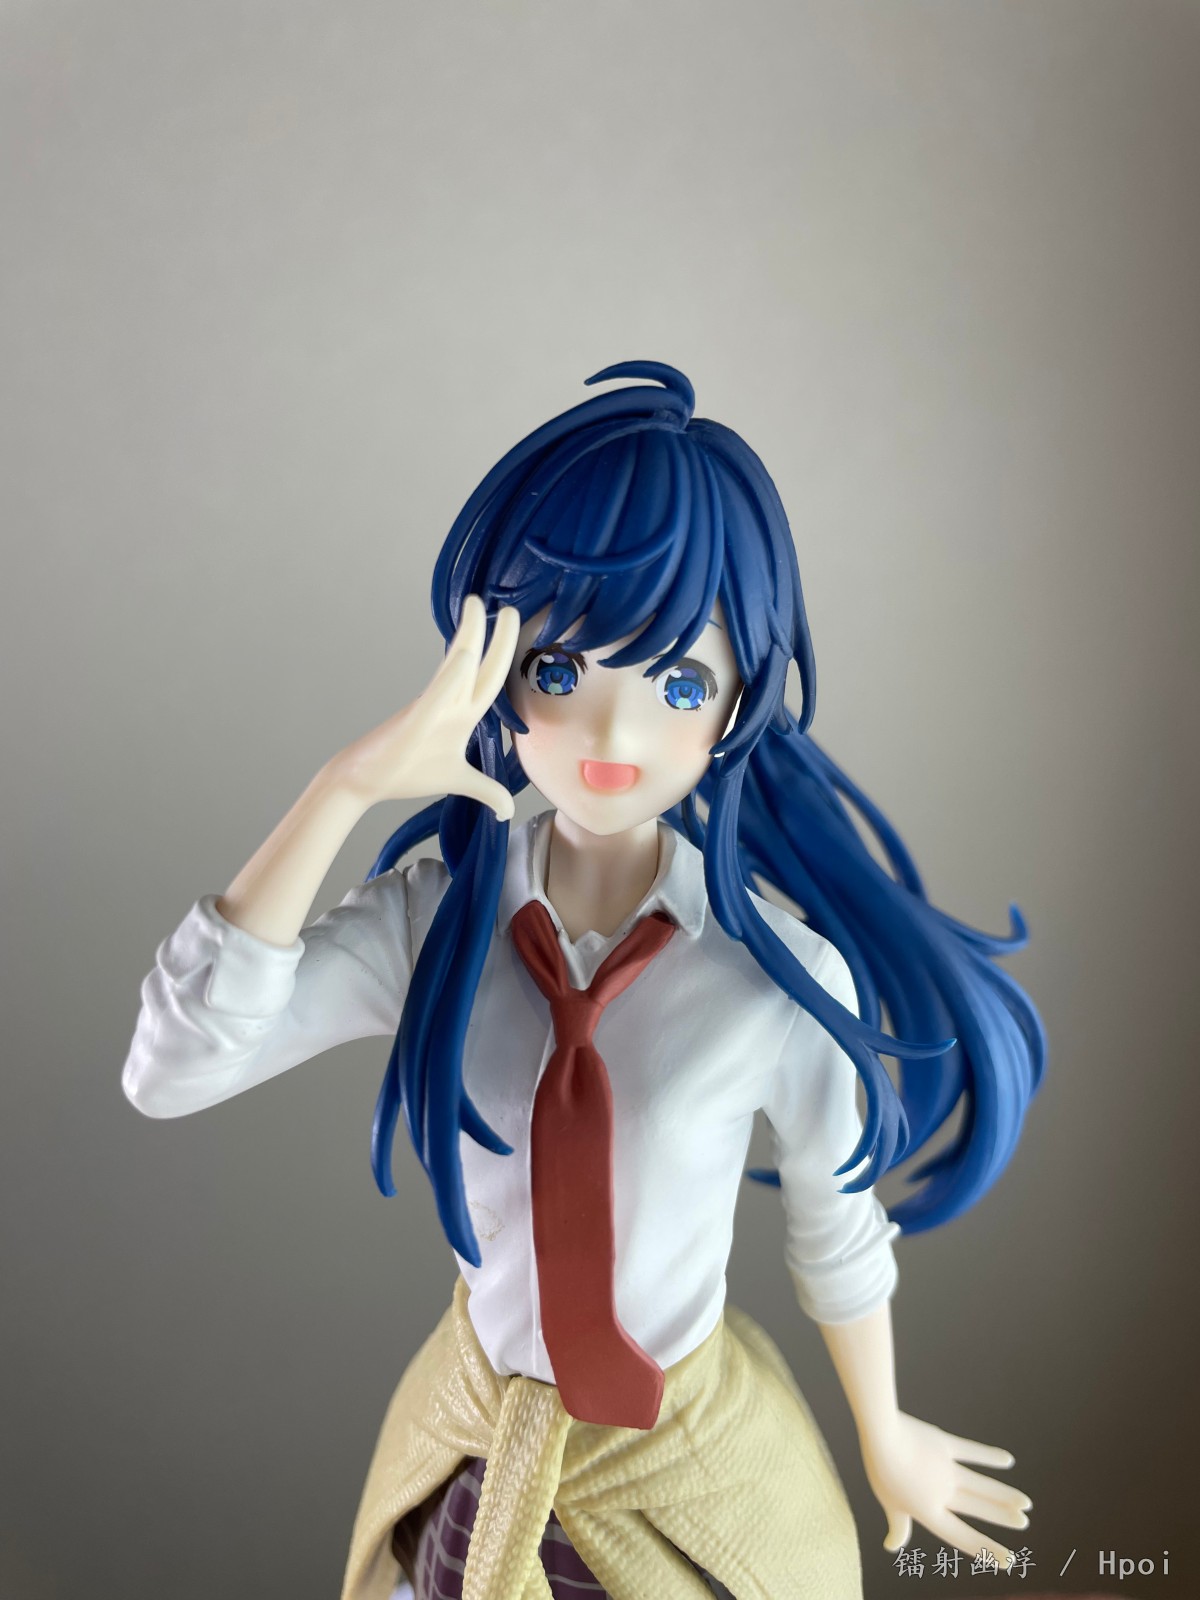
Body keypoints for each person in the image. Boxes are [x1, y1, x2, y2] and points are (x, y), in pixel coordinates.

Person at [123, 362, 1042, 1600]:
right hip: (478, 1451)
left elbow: (836, 1227)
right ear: (493, 668)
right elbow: (172, 1071)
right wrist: (344, 788)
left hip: (679, 1473)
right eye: (560, 671)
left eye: (679, 684)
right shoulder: (439, 924)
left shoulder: (775, 978)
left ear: (739, 703)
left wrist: (885, 1436)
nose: (613, 737)